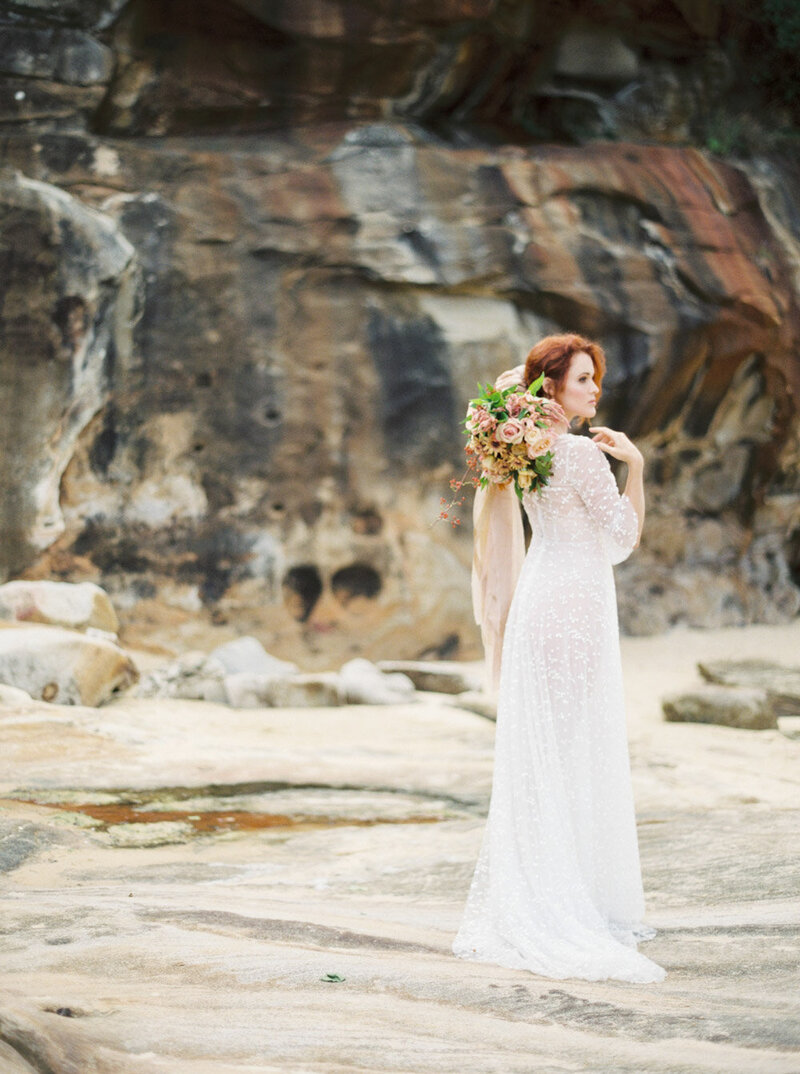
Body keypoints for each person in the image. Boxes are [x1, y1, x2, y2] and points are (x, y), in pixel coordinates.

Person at [453, 333, 666, 984]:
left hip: (539, 600)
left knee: (541, 755)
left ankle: (542, 892)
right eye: (582, 380)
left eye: (595, 379)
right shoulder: (576, 454)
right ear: (550, 389)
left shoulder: (522, 451)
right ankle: (561, 905)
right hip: (574, 606)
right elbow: (623, 540)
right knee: (571, 752)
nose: (595, 390)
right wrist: (637, 466)